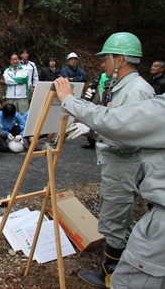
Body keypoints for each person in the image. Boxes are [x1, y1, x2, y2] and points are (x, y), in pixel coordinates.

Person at [61, 32, 155, 289]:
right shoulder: (124, 87)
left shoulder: (136, 91)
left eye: (107, 58)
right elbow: (115, 121)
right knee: (116, 215)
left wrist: (93, 130)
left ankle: (111, 276)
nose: (103, 64)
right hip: (117, 161)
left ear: (120, 58)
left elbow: (127, 134)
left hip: (124, 162)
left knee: (114, 218)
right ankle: (123, 267)